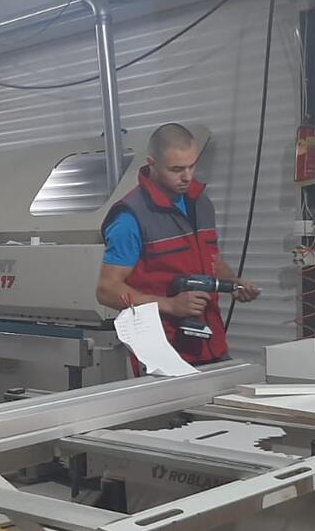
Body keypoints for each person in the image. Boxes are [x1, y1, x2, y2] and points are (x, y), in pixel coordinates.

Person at [96, 123, 260, 367]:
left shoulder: (200, 203)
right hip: (162, 353)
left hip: (210, 342)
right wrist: (170, 305)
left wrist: (232, 282)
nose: (187, 177)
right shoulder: (130, 218)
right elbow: (107, 290)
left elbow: (211, 257)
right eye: (176, 169)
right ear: (152, 164)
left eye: (191, 166)